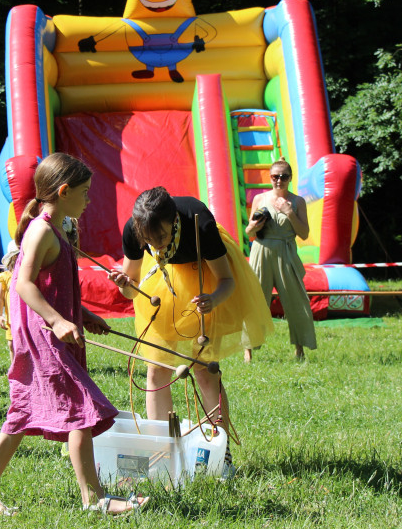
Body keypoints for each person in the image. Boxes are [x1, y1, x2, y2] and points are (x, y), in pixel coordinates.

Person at [0, 152, 147, 516]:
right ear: (64, 191)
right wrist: (57, 321)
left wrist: (83, 315)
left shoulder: (57, 229)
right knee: (81, 409)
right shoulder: (40, 230)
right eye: (84, 192)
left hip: (56, 332)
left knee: (20, 415)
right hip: (45, 338)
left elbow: (55, 287)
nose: (89, 199)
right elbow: (23, 285)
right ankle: (94, 499)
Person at [109, 187, 274, 475]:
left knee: (205, 371)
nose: (156, 246)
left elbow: (227, 280)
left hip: (205, 280)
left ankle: (221, 454)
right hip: (163, 284)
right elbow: (131, 290)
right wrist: (124, 283)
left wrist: (213, 300)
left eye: (161, 238)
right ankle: (160, 452)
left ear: (174, 221)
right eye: (149, 240)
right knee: (156, 370)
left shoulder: (199, 223)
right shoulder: (136, 231)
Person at [243, 159, 317, 362]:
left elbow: (303, 233)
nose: (279, 180)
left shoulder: (298, 202)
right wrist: (255, 227)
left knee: (296, 301)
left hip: (286, 253)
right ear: (270, 177)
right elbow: (248, 232)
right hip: (261, 251)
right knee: (255, 300)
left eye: (284, 176)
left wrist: (289, 212)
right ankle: (248, 350)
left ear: (290, 178)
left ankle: (299, 349)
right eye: (275, 176)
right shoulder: (259, 198)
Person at [0, 242, 19, 363]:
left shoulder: (30, 275)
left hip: (26, 318)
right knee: (12, 344)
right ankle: (15, 367)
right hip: (12, 319)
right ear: (13, 258)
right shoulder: (5, 277)